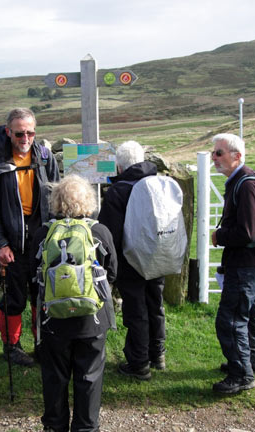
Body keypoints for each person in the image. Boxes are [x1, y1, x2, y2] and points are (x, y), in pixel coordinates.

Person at [30, 174, 117, 432]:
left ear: (55, 201)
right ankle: (86, 427)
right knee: (89, 377)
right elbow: (111, 273)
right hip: (92, 320)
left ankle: (54, 426)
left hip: (53, 319)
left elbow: (33, 277)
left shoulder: (43, 234)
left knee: (54, 377)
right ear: (88, 200)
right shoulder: (99, 232)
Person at [0, 107, 60, 366]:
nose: (25, 138)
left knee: (44, 295)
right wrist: (1, 244)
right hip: (13, 243)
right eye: (19, 133)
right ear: (8, 132)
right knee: (14, 297)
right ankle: (12, 347)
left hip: (42, 240)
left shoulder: (46, 158)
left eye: (30, 133)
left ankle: (43, 344)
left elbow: (57, 198)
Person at [98, 140, 166, 381]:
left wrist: (109, 268)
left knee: (136, 310)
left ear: (119, 165)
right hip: (158, 255)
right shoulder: (159, 183)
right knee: (155, 304)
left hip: (131, 260)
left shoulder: (119, 191)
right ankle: (157, 354)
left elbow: (109, 234)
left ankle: (139, 364)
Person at [210, 133, 255, 394]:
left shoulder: (245, 185)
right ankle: (250, 362)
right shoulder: (242, 181)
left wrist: (218, 236)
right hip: (252, 261)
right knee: (251, 312)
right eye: (213, 153)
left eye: (219, 153)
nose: (214, 157)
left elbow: (247, 232)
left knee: (230, 319)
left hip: (244, 264)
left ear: (237, 156)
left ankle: (241, 375)